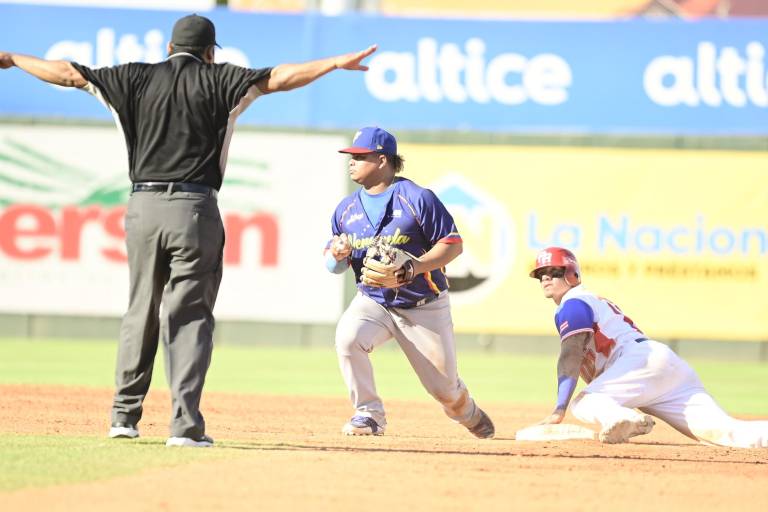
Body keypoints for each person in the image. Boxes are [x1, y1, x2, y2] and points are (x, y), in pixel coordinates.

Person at [0, 14, 377, 447]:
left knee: (140, 309)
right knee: (190, 316)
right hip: (193, 210)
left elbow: (66, 73)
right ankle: (184, 426)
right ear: (210, 53)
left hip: (142, 208)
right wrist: (333, 63)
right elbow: (281, 77)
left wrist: (13, 58)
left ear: (169, 49)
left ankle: (123, 416)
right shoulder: (221, 80)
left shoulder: (132, 78)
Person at [324, 126, 495, 439]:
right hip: (374, 301)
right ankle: (369, 414)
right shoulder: (345, 210)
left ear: (382, 160)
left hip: (423, 305)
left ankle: (467, 412)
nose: (352, 162)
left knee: (445, 391)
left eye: (360, 156)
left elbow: (453, 245)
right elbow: (332, 265)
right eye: (351, 156)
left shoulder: (417, 198)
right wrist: (336, 254)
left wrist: (415, 266)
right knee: (348, 338)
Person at [527, 246, 768, 447]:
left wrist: (559, 409)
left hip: (638, 361)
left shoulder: (574, 303)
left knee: (584, 403)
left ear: (572, 275)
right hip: (660, 365)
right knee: (728, 434)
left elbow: (570, 354)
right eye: (541, 274)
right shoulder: (586, 300)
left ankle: (624, 418)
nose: (545, 278)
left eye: (553, 271)